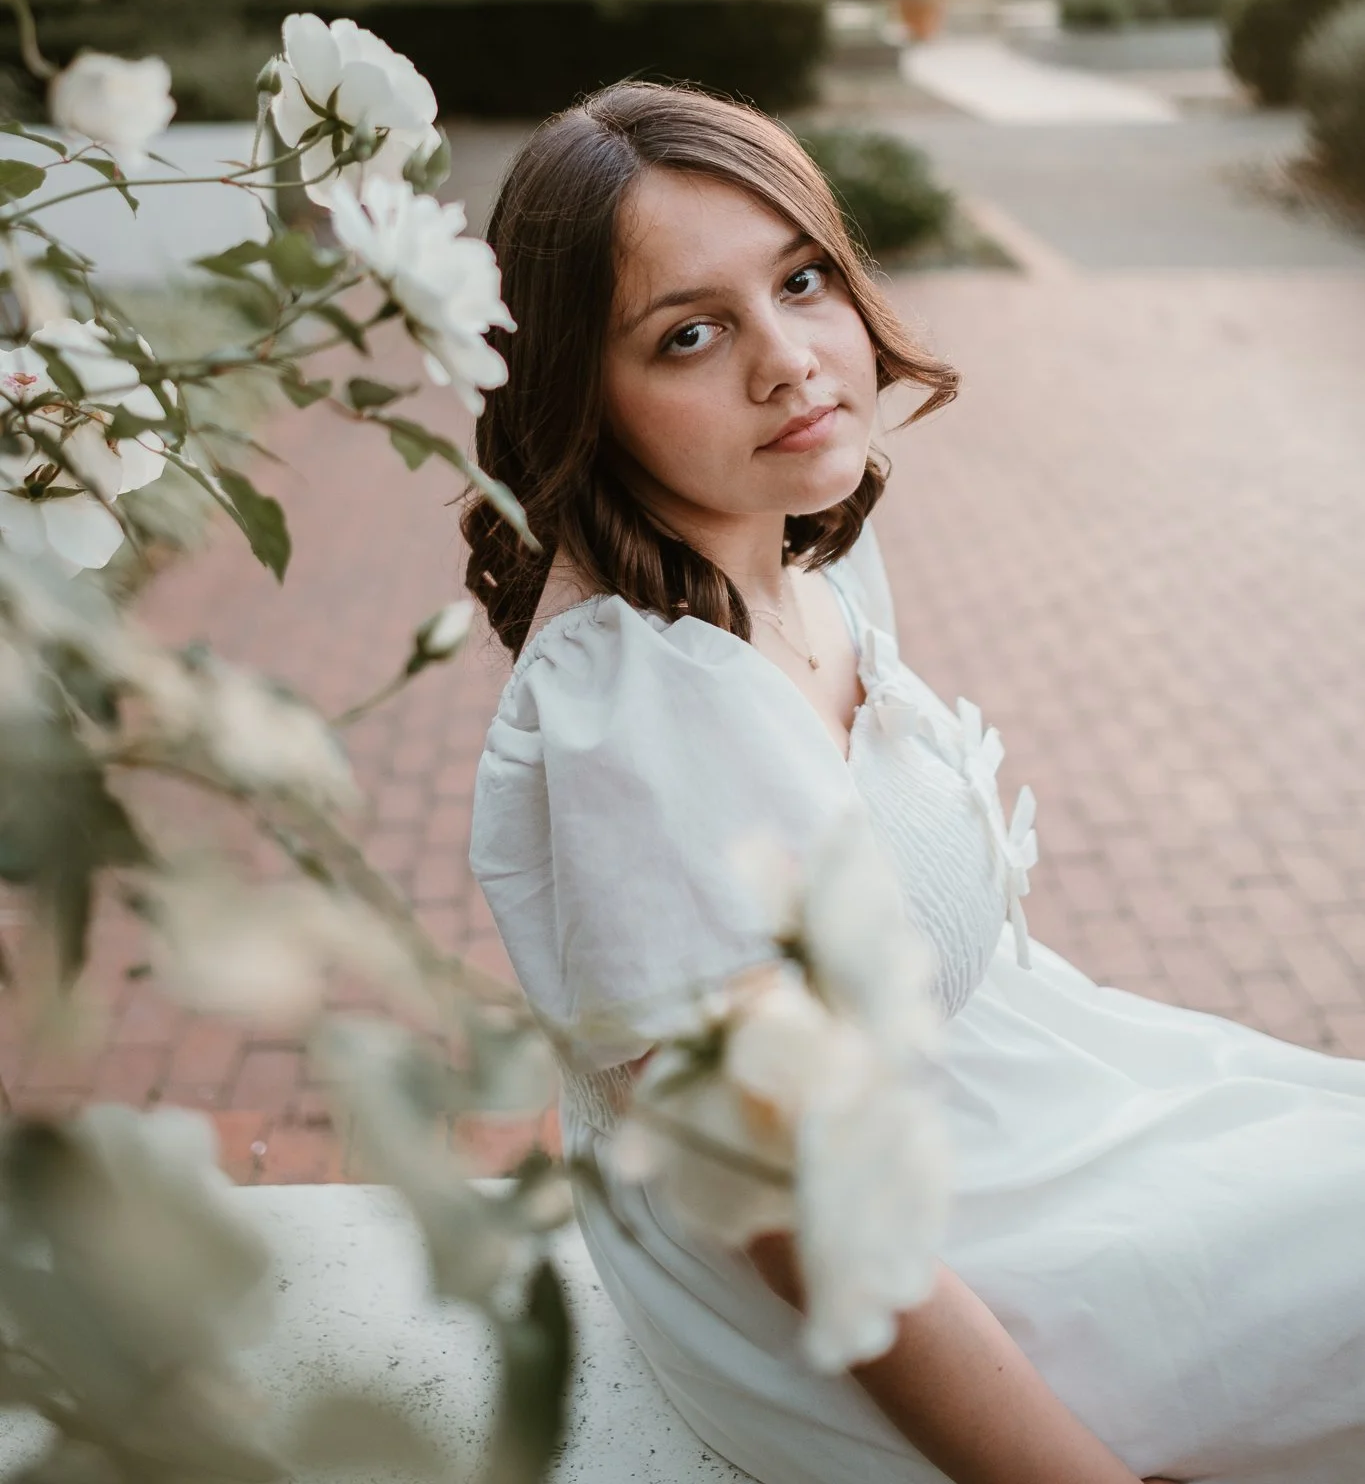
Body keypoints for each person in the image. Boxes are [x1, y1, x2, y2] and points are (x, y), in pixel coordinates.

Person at [466, 82, 1365, 1484]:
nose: (789, 362)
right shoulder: (640, 717)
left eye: (803, 279)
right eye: (689, 333)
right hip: (911, 1259)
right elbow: (798, 1218)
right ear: (577, 387)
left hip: (1007, 1109)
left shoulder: (793, 545)